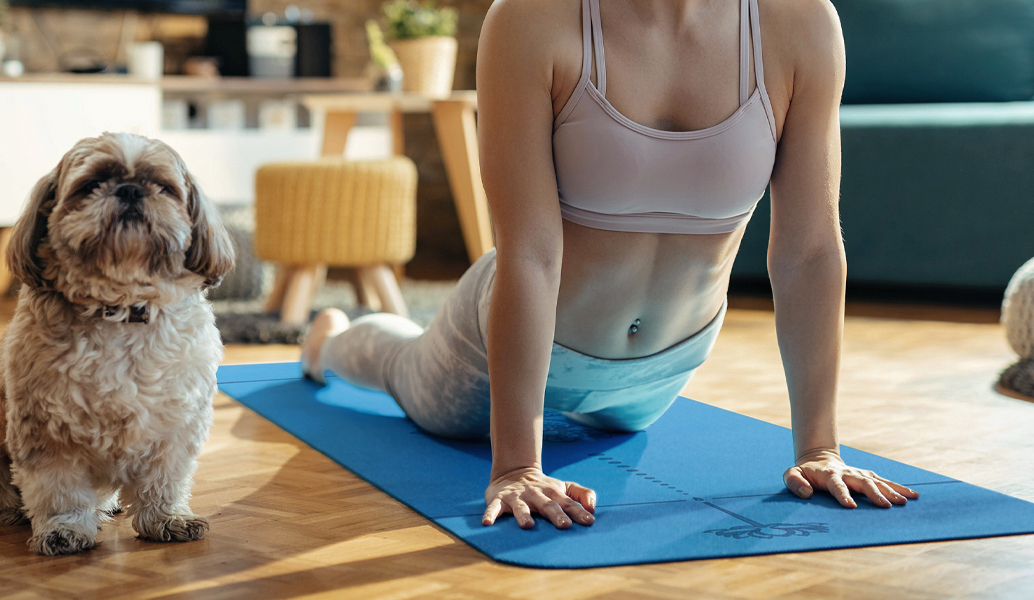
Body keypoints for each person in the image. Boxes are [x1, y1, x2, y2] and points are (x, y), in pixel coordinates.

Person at [299, 0, 918, 531]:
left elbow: (810, 251)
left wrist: (820, 448)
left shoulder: (800, 22)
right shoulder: (530, 19)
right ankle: (328, 341)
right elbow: (529, 253)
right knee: (399, 366)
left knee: (616, 428)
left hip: (662, 372)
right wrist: (517, 464)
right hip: (500, 348)